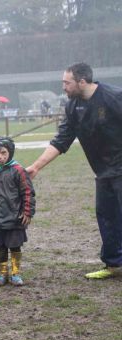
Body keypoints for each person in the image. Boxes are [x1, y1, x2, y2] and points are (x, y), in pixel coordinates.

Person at [27, 62, 122, 279]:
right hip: (103, 171)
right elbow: (62, 140)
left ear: (82, 81)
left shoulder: (114, 97)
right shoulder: (73, 107)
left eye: (66, 83)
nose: (63, 87)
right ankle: (114, 264)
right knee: (107, 216)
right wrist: (36, 167)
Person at [0, 137, 35, 286]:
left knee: (15, 246)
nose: (0, 157)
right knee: (1, 247)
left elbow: (27, 192)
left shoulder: (18, 171)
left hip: (15, 218)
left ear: (10, 152)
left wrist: (27, 211)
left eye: (3, 153)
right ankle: (2, 274)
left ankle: (16, 273)